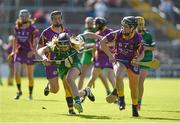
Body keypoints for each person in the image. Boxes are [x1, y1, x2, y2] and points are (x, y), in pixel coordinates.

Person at [37, 33, 95, 114]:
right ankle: (85, 92)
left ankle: (78, 102)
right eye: (61, 45)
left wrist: (100, 37)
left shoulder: (75, 43)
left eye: (65, 45)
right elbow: (40, 50)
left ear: (69, 43)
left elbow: (86, 35)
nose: (63, 47)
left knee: (69, 78)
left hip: (75, 64)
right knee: (69, 91)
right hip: (62, 68)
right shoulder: (55, 47)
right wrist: (44, 57)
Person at [37, 10, 80, 115]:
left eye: (59, 18)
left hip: (64, 63)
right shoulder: (46, 33)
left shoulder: (68, 32)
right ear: (51, 20)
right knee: (55, 90)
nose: (57, 20)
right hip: (51, 63)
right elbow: (39, 48)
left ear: (62, 19)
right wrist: (44, 58)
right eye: (54, 19)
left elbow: (74, 47)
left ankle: (71, 109)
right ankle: (49, 86)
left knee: (67, 83)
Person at [100, 16, 144, 117]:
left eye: (126, 26)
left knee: (133, 88)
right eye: (122, 26)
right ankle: (121, 99)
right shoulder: (117, 34)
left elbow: (142, 53)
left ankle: (134, 109)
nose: (123, 28)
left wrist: (137, 60)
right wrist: (110, 56)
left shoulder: (138, 37)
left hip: (132, 62)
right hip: (120, 59)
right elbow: (102, 42)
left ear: (133, 28)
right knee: (119, 76)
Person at [8, 9, 40, 100]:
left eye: (26, 16)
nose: (24, 18)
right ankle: (19, 92)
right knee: (16, 72)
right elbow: (14, 39)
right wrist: (13, 51)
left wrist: (33, 51)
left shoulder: (33, 28)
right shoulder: (17, 27)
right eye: (22, 16)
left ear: (29, 17)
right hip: (19, 52)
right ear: (20, 17)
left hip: (29, 53)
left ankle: (30, 94)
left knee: (29, 75)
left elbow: (36, 41)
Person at [84, 17, 116, 96]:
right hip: (99, 57)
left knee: (111, 78)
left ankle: (118, 95)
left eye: (96, 24)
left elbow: (114, 44)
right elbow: (95, 47)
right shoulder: (98, 33)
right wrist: (93, 56)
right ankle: (85, 94)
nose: (95, 26)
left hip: (108, 56)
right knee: (93, 77)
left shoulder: (110, 32)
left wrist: (105, 45)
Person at [135, 16, 157, 110]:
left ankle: (139, 102)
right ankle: (135, 101)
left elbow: (154, 48)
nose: (140, 26)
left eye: (141, 24)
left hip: (146, 61)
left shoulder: (148, 35)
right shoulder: (132, 34)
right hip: (135, 60)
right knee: (134, 83)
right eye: (138, 24)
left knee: (140, 82)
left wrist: (146, 48)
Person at [78, 17, 96, 90]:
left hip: (95, 53)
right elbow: (82, 44)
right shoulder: (85, 32)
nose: (88, 24)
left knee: (100, 75)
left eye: (89, 22)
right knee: (82, 75)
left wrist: (89, 45)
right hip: (86, 54)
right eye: (87, 22)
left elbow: (97, 44)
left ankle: (108, 90)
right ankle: (77, 92)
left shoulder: (96, 31)